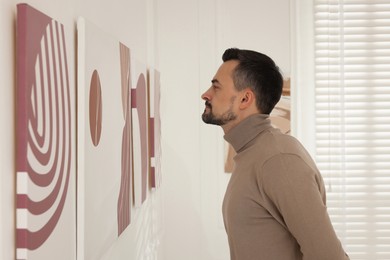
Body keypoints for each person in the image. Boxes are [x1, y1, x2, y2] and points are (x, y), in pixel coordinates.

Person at [201, 48, 349, 260]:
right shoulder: (252, 153)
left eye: (216, 87)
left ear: (245, 99)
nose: (206, 94)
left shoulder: (278, 160)